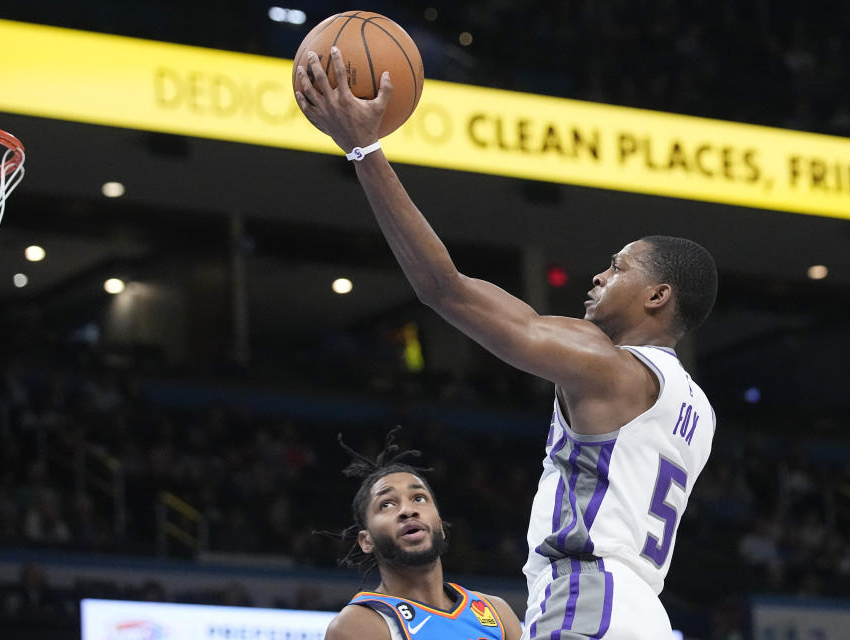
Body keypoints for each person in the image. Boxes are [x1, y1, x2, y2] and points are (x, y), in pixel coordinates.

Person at [296, 47, 719, 640]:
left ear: (658, 296)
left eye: (619, 268)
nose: (599, 276)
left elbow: (445, 289)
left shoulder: (607, 366)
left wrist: (365, 151)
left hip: (588, 600)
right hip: (645, 611)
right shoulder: (696, 408)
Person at [322, 428, 522, 640]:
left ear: (441, 527)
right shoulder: (357, 624)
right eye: (387, 504)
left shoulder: (497, 612)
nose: (408, 510)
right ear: (366, 540)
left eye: (418, 498)